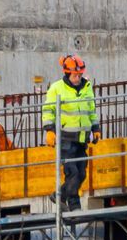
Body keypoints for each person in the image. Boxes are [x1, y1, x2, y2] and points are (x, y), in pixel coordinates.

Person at [41, 54, 101, 212]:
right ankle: (68, 202)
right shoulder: (56, 88)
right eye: (75, 75)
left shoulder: (87, 87)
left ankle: (66, 201)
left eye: (80, 74)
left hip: (82, 138)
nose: (78, 77)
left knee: (81, 173)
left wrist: (95, 129)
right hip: (66, 138)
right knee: (72, 172)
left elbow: (91, 110)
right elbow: (48, 110)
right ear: (67, 74)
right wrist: (49, 130)